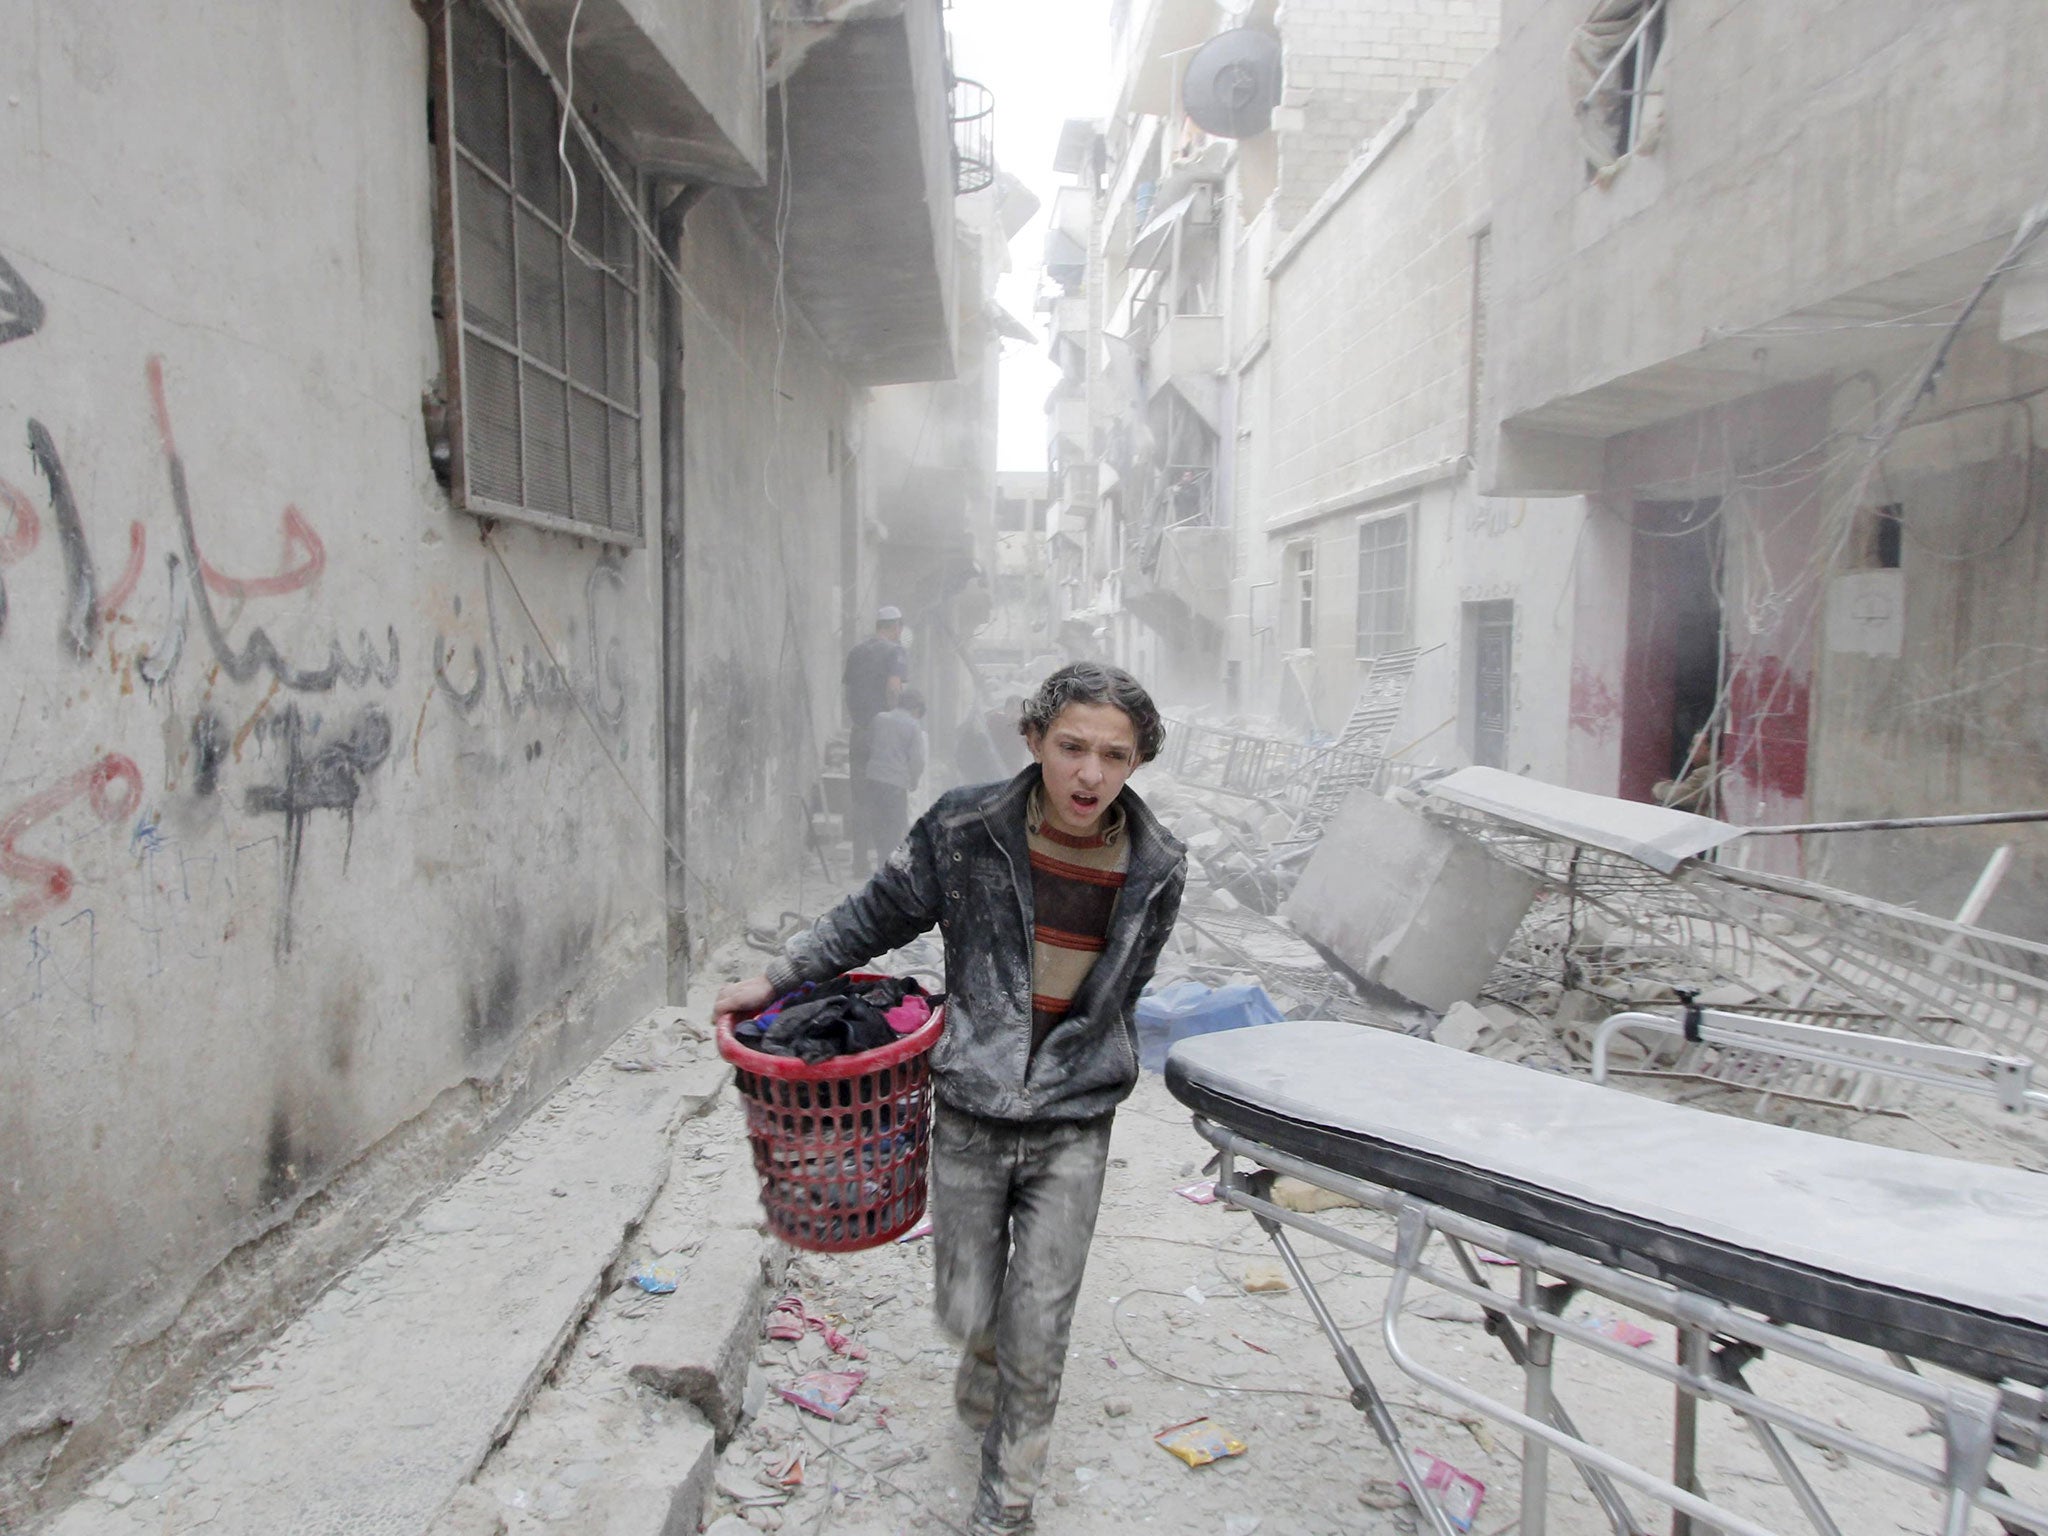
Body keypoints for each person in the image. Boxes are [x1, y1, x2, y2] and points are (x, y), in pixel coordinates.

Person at [716, 663, 1187, 1536]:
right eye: (1072, 748)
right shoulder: (966, 829)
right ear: (1035, 741)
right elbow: (876, 913)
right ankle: (982, 1372)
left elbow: (1127, 986)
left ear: (1137, 762)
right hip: (969, 1109)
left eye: (1114, 756)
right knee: (968, 1304)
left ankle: (1007, 1503)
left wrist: (1093, 1059)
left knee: (1039, 1318)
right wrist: (775, 977)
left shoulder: (1157, 867)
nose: (1090, 774)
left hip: (1075, 1120)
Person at [842, 606, 909, 871]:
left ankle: (859, 862)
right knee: (888, 796)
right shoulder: (895, 652)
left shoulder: (856, 652)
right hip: (883, 734)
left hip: (859, 731)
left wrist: (859, 721)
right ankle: (885, 863)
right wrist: (895, 719)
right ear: (896, 627)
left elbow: (847, 692)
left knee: (860, 797)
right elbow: (893, 688)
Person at [862, 687, 927, 871]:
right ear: (915, 708)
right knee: (894, 827)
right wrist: (914, 780)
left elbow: (869, 745)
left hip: (874, 779)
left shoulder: (879, 719)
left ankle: (880, 863)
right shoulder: (913, 726)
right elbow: (918, 760)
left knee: (878, 824)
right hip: (896, 783)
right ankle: (888, 868)